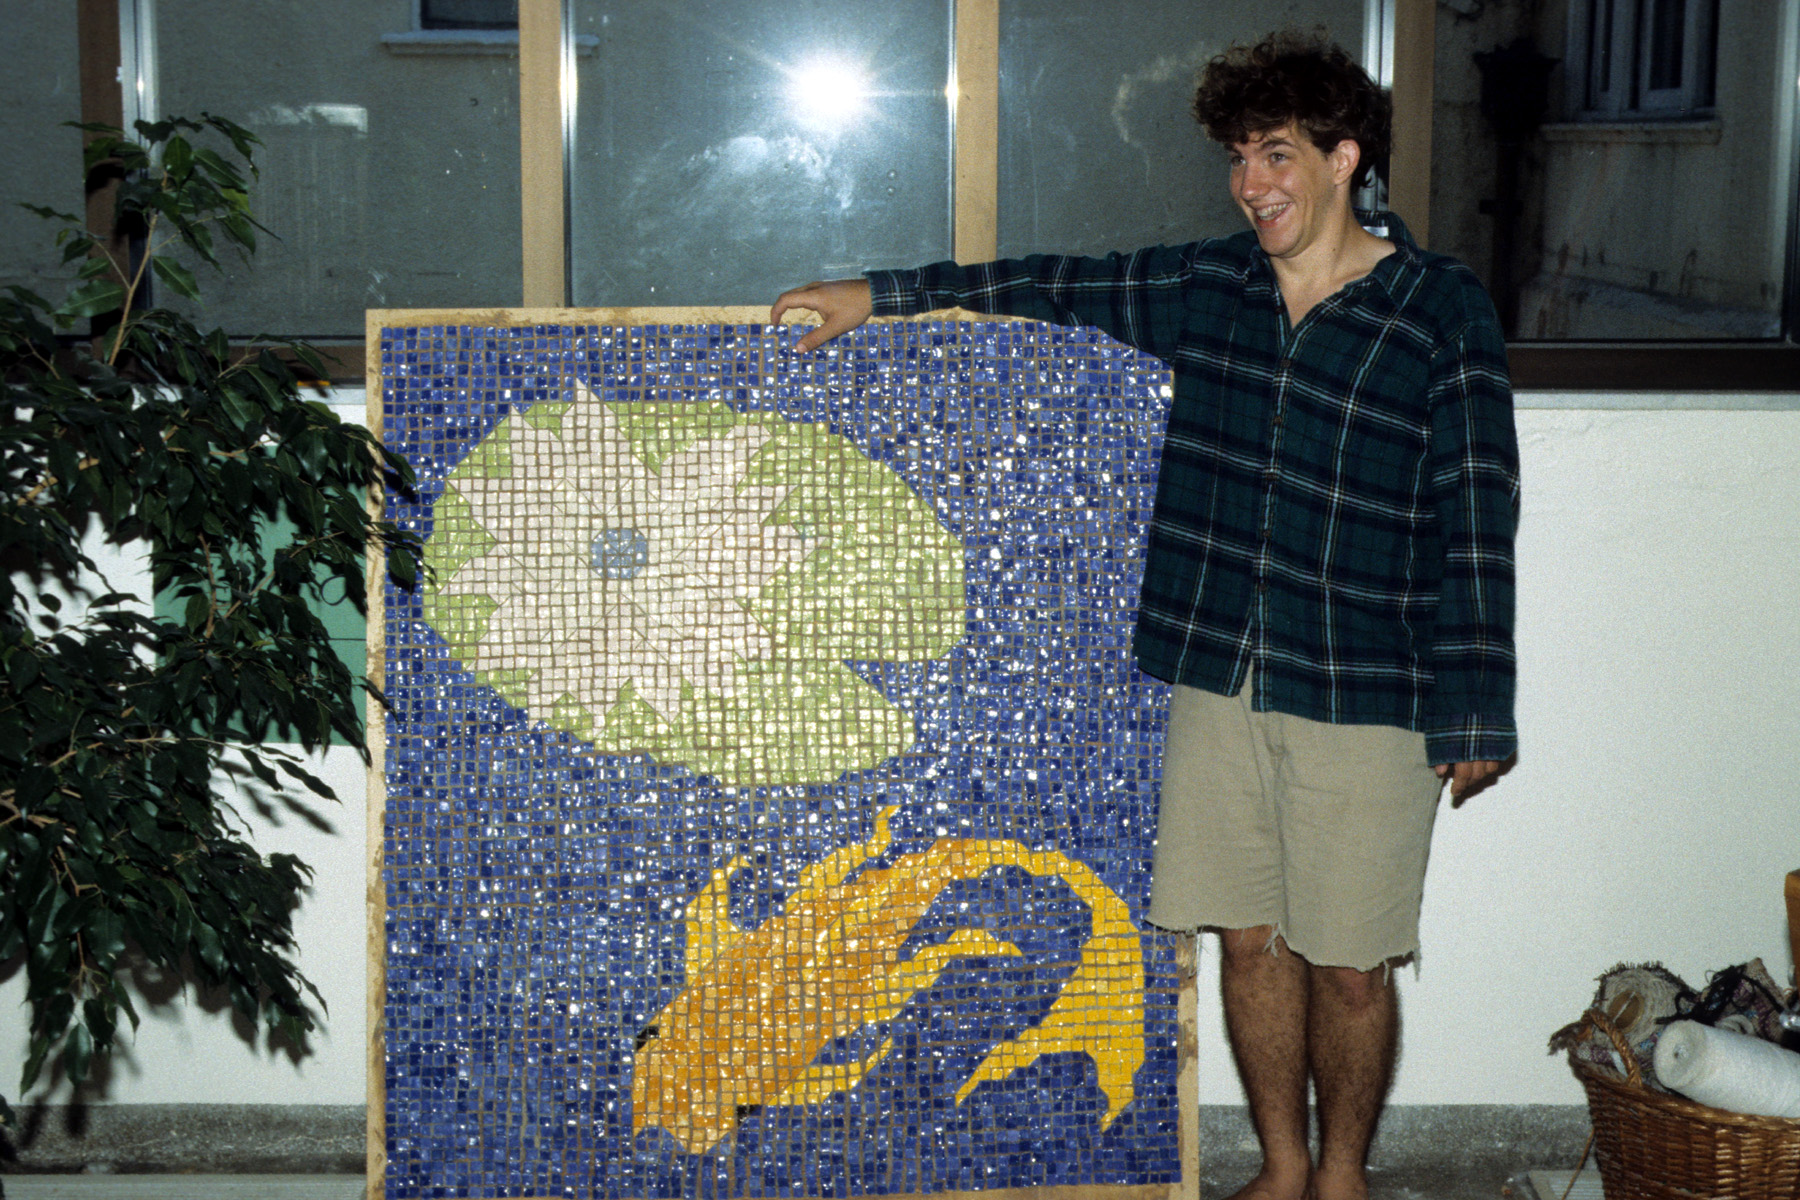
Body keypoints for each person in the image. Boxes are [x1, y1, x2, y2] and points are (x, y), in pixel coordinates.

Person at [770, 29, 1518, 1200]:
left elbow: (1478, 502)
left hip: (1370, 680)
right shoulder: (1212, 284)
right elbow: (1053, 283)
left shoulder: (1437, 306)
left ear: (1343, 157)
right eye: (1238, 158)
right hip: (1220, 671)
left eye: (1276, 154)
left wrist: (1476, 703)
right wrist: (879, 296)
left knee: (1351, 963)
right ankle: (1280, 1169)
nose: (1251, 184)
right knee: (1246, 941)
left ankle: (1343, 1179)